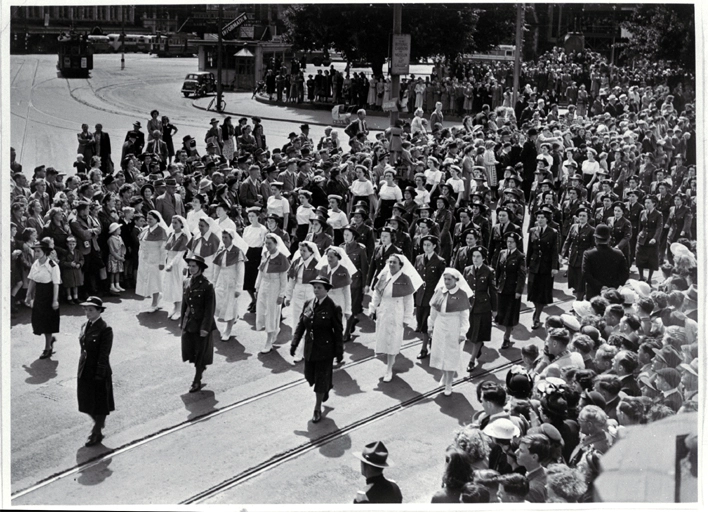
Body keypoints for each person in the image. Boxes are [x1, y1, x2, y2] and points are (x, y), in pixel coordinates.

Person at [290, 276, 344, 423]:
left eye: (320, 288)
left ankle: (317, 407)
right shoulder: (308, 304)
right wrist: (294, 343)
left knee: (320, 379)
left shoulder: (333, 307)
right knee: (309, 376)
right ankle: (325, 387)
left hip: (325, 350)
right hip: (310, 348)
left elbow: (338, 331)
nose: (316, 290)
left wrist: (339, 352)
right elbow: (301, 325)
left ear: (327, 290)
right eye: (314, 287)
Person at [368, 254, 422, 382]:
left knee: (393, 341)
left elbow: (409, 302)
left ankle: (389, 368)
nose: (391, 265)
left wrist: (407, 319)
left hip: (397, 312)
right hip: (384, 311)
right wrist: (372, 308)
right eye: (390, 262)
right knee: (383, 338)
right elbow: (376, 294)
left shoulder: (405, 279)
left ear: (400, 265)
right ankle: (387, 362)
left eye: (394, 262)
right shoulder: (383, 276)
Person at [77, 296, 115, 447]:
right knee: (85, 400)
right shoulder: (84, 325)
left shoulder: (105, 329)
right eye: (86, 309)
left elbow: (104, 353)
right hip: (85, 368)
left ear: (99, 311)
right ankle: (99, 423)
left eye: (91, 310)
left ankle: (96, 431)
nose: (87, 312)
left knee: (100, 403)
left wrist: (99, 373)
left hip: (99, 370)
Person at [428, 268, 472, 395]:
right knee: (440, 352)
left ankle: (449, 383)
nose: (446, 282)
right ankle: (444, 376)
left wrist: (463, 332)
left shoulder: (462, 294)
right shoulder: (439, 291)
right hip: (440, 325)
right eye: (445, 279)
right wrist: (430, 326)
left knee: (451, 355)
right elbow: (433, 311)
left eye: (449, 279)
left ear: (456, 280)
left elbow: (464, 316)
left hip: (454, 326)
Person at [180, 254, 217, 393]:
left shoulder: (207, 285)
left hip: (201, 324)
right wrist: (182, 322)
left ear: (200, 268)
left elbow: (210, 309)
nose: (190, 268)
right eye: (189, 266)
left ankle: (197, 380)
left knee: (200, 353)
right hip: (190, 323)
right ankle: (200, 369)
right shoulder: (186, 282)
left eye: (193, 266)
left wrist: (205, 328)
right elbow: (184, 304)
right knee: (191, 351)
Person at [285, 241, 322, 362]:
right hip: (298, 292)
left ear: (311, 252)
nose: (301, 253)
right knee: (297, 322)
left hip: (311, 294)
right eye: (300, 250)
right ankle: (298, 350)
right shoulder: (296, 262)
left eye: (304, 251)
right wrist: (288, 296)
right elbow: (291, 280)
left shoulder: (317, 264)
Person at [25, 237, 61, 359]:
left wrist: (55, 300)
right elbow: (32, 280)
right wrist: (28, 295)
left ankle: (47, 348)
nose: (36, 253)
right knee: (38, 321)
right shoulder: (35, 264)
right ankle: (49, 340)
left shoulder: (53, 265)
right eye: (35, 251)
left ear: (45, 252)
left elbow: (56, 283)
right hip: (39, 294)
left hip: (49, 294)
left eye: (38, 251)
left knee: (47, 322)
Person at [464, 246, 497, 372]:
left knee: (477, 336)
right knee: (471, 334)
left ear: (483, 258)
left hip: (482, 307)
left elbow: (493, 291)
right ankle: (478, 346)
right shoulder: (467, 270)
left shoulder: (489, 271)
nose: (475, 259)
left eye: (478, 256)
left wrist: (495, 309)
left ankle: (471, 361)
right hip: (469, 307)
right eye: (473, 256)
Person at [256, 233, 291, 354]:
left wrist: (282, 295)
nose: (267, 246)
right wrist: (257, 287)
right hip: (264, 285)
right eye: (265, 243)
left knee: (272, 312)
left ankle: (269, 340)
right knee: (262, 310)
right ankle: (274, 330)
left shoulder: (281, 258)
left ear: (276, 244)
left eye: (269, 243)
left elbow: (283, 279)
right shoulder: (265, 255)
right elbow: (260, 272)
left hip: (274, 286)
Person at [526, 208, 560, 330]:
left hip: (546, 266)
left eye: (542, 218)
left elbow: (555, 251)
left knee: (542, 292)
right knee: (532, 290)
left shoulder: (553, 232)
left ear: (547, 219)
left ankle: (537, 316)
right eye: (538, 218)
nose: (539, 220)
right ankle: (537, 308)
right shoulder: (533, 230)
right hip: (534, 265)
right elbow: (529, 249)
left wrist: (554, 267)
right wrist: (526, 265)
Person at [414, 235, 447, 359]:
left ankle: (424, 349)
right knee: (420, 321)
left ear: (434, 246)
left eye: (428, 245)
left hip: (432, 298)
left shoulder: (440, 261)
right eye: (424, 245)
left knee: (427, 324)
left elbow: (442, 282)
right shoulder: (418, 258)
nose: (426, 248)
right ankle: (431, 343)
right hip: (420, 297)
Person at [213, 228, 248, 341]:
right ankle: (230, 321)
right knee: (219, 304)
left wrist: (239, 287)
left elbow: (240, 272)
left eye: (226, 238)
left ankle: (228, 330)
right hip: (221, 281)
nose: (224, 240)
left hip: (232, 282)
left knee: (230, 307)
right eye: (222, 237)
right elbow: (217, 268)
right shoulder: (221, 250)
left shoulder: (238, 252)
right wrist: (214, 282)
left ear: (232, 238)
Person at [495, 232, 526, 348]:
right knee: (501, 313)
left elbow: (522, 275)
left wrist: (519, 291)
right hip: (502, 288)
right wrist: (495, 284)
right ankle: (508, 330)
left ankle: (506, 338)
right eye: (508, 241)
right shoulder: (502, 253)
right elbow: (498, 270)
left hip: (512, 290)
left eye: (512, 242)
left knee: (509, 315)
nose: (509, 244)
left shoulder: (520, 256)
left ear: (516, 243)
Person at [581, 224, 629, 299]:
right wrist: (613, 287)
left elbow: (586, 274)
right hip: (613, 294)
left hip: (594, 294)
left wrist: (601, 287)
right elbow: (625, 274)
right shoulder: (618, 253)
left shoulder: (588, 254)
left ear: (595, 239)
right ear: (609, 239)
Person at [135, 210, 168, 313]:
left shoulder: (161, 231)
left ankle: (154, 303)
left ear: (157, 219)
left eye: (151, 219)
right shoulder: (145, 230)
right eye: (147, 218)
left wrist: (162, 262)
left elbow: (163, 249)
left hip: (156, 259)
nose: (148, 220)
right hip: (145, 259)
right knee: (147, 280)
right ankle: (156, 301)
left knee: (155, 281)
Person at [316, 246, 355, 330]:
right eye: (328, 256)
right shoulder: (323, 269)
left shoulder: (344, 271)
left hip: (339, 300)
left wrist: (348, 310)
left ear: (338, 258)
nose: (329, 259)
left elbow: (347, 292)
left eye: (332, 257)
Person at [561, 206, 595, 299]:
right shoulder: (573, 227)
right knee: (573, 280)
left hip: (583, 259)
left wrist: (588, 257)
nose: (581, 218)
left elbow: (593, 246)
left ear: (588, 217)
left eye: (584, 216)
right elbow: (568, 241)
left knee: (581, 282)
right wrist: (562, 254)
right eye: (580, 216)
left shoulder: (591, 230)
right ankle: (579, 298)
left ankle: (578, 301)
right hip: (573, 258)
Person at [163, 215, 191, 320]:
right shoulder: (171, 234)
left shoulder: (184, 236)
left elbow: (180, 254)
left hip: (177, 263)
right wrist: (166, 262)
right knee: (171, 286)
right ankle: (175, 307)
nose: (173, 225)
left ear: (181, 224)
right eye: (172, 222)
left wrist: (171, 264)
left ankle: (179, 309)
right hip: (169, 261)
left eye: (176, 223)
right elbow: (167, 250)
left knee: (178, 286)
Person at [242, 207, 268, 313]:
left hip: (257, 254)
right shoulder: (247, 229)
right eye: (249, 216)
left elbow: (263, 244)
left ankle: (258, 302)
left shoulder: (263, 229)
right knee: (247, 280)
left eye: (253, 216)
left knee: (256, 280)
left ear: (258, 217)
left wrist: (262, 258)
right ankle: (253, 300)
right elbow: (244, 243)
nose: (251, 218)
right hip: (248, 254)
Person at [635, 195, 664, 283]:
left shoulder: (658, 214)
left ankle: (649, 279)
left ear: (654, 204)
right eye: (645, 202)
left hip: (652, 239)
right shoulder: (642, 212)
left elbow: (659, 227)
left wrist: (655, 238)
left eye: (648, 203)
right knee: (639, 257)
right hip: (642, 238)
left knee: (651, 259)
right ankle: (641, 277)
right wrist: (638, 235)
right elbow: (640, 226)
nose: (646, 204)